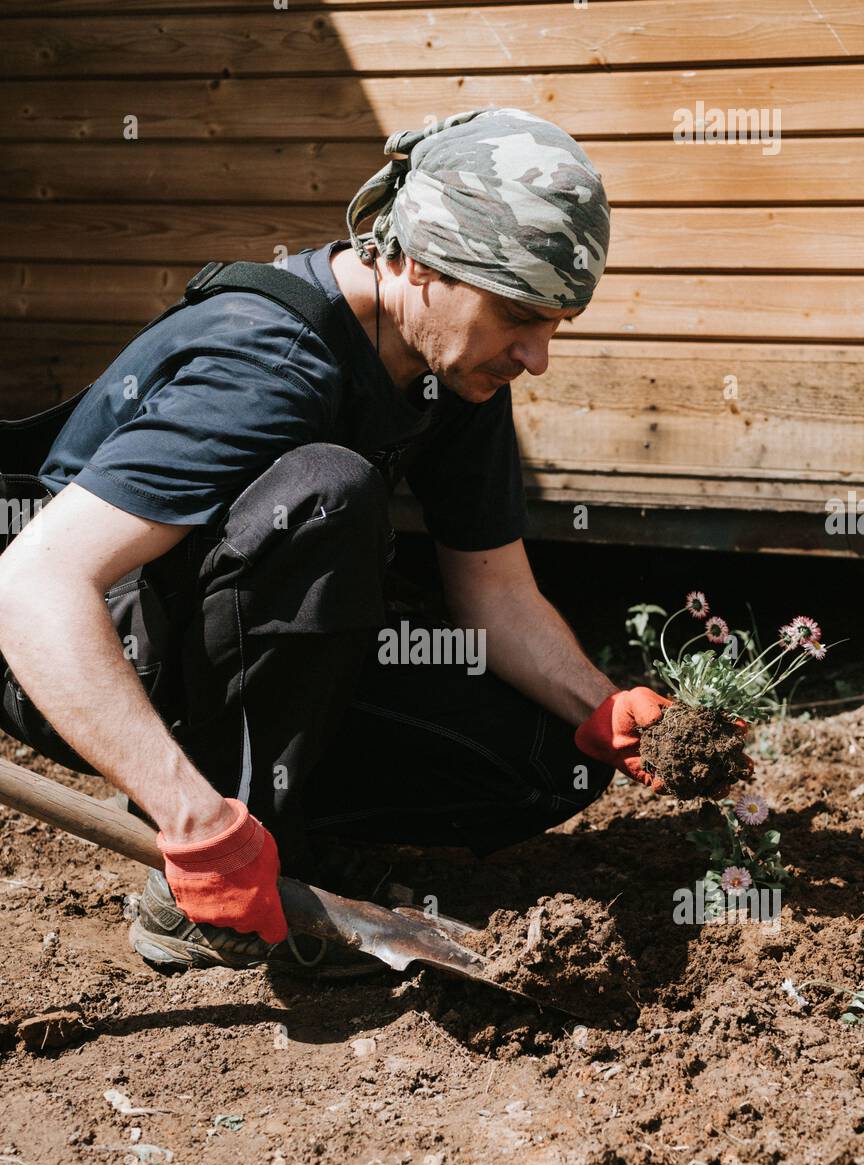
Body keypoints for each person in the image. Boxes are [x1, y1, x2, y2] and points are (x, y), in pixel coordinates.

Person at [0, 106, 671, 981]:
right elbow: (34, 580)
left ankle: (286, 835)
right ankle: (210, 873)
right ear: (422, 264)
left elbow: (495, 596)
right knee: (328, 495)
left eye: (556, 324)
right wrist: (194, 820)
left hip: (224, 639)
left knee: (549, 763)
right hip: (74, 653)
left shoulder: (456, 370)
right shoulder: (268, 359)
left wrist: (600, 708)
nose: (537, 356)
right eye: (520, 315)